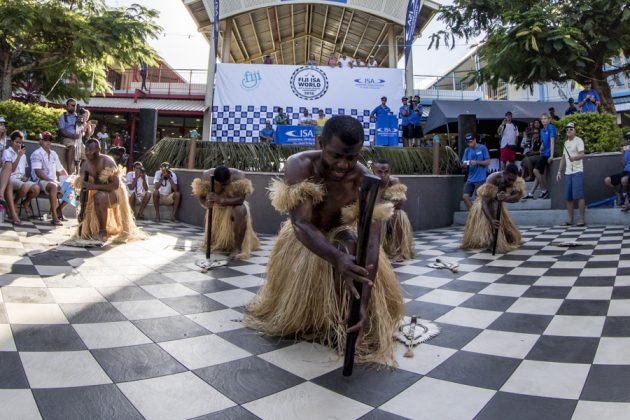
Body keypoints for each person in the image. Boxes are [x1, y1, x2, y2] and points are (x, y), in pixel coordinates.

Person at [245, 115, 405, 365]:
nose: (343, 165)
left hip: (341, 235)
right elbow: (300, 223)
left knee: (349, 246)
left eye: (351, 158)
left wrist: (362, 303)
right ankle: (313, 316)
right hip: (306, 240)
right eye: (336, 156)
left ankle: (346, 320)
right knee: (341, 251)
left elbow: (371, 243)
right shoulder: (299, 166)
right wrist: (336, 258)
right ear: (320, 143)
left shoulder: (364, 180)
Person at [73, 139, 144, 242]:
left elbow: (115, 185)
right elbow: (84, 188)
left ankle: (103, 231)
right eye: (86, 150)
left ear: (98, 149)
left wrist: (93, 186)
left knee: (99, 197)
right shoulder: (84, 165)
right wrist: (82, 209)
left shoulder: (107, 161)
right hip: (97, 193)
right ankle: (91, 229)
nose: (88, 153)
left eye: (91, 150)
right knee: (96, 197)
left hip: (115, 193)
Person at [191, 166, 260, 260]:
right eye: (221, 184)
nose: (223, 186)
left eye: (226, 183)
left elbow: (241, 199)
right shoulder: (207, 175)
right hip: (217, 208)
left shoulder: (238, 176)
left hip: (234, 204)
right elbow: (201, 196)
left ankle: (237, 248)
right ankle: (218, 242)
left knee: (241, 210)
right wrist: (206, 203)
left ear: (230, 176)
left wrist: (222, 200)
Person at [461, 163, 525, 253]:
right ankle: (489, 239)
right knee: (493, 209)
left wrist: (506, 198)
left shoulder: (516, 179)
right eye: (509, 179)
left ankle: (501, 237)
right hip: (485, 204)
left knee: (509, 236)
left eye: (513, 180)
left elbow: (517, 197)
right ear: (504, 173)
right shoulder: (492, 179)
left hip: (498, 203)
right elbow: (485, 203)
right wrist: (491, 220)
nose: (510, 182)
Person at [373, 160, 414, 262]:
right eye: (379, 172)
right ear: (373, 172)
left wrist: (385, 205)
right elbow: (373, 206)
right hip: (375, 214)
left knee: (400, 215)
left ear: (389, 172)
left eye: (386, 172)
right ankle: (378, 251)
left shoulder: (394, 181)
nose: (383, 175)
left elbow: (400, 204)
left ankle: (401, 251)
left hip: (390, 212)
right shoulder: (371, 182)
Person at [30, 131, 69, 225]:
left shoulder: (54, 154)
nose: (48, 141)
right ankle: (54, 216)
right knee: (53, 186)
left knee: (71, 188)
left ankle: (58, 209)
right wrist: (51, 180)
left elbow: (61, 170)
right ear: (40, 141)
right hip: (40, 181)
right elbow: (38, 172)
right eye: (45, 139)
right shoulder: (36, 153)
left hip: (53, 181)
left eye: (50, 139)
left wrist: (69, 179)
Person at [2, 131, 40, 224]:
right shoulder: (7, 152)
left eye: (20, 142)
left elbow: (23, 172)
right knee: (25, 186)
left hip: (20, 180)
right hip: (10, 178)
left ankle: (17, 202)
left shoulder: (23, 155)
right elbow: (12, 169)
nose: (19, 145)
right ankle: (14, 206)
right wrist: (19, 156)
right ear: (12, 141)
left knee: (36, 188)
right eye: (17, 142)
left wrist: (25, 177)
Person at [556, 122, 586, 226]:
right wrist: (559, 171)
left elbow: (582, 154)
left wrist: (575, 158)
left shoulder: (579, 140)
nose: (569, 130)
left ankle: (582, 220)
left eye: (571, 129)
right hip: (568, 172)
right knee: (568, 197)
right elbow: (563, 158)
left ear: (575, 130)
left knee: (579, 196)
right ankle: (569, 220)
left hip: (577, 171)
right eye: (567, 129)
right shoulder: (566, 142)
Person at [524, 113, 555, 199]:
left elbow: (552, 142)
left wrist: (551, 156)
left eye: (545, 118)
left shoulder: (551, 127)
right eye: (542, 119)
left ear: (549, 120)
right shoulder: (542, 130)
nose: (544, 120)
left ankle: (544, 190)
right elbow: (543, 143)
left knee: (535, 171)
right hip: (543, 154)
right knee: (538, 174)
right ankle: (531, 193)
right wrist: (541, 147)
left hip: (547, 155)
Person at [57, 99, 91, 174]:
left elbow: (83, 132)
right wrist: (72, 135)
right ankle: (70, 172)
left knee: (88, 154)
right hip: (67, 138)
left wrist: (83, 130)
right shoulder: (63, 116)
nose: (74, 107)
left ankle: (80, 173)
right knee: (72, 146)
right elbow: (61, 131)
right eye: (72, 105)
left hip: (78, 140)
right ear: (67, 106)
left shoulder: (78, 117)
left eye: (75, 105)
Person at [461, 133, 491, 210]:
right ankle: (473, 213)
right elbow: (463, 163)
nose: (469, 143)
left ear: (475, 140)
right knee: (465, 197)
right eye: (468, 142)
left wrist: (477, 162)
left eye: (470, 141)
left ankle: (478, 215)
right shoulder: (467, 150)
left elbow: (487, 162)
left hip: (481, 178)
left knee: (479, 199)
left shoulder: (482, 148)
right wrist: (464, 165)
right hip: (470, 178)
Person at [604, 130, 630, 211]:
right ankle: (619, 195)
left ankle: (628, 199)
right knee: (607, 180)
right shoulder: (626, 149)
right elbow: (623, 163)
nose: (629, 140)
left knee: (624, 180)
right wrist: (623, 153)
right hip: (626, 171)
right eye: (628, 138)